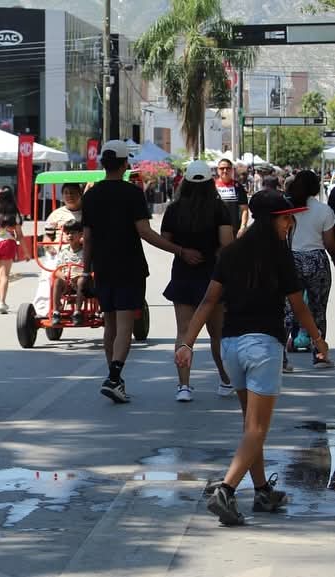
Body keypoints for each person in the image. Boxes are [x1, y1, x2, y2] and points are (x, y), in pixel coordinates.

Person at [176, 191, 329, 526]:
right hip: (262, 347)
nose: (290, 223)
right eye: (286, 217)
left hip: (231, 347)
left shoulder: (230, 253)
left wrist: (186, 343)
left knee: (250, 428)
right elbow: (299, 306)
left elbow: (207, 302)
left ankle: (262, 491)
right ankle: (226, 490)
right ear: (272, 218)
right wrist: (319, 340)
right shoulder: (279, 255)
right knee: (258, 428)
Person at [82, 141, 203, 404]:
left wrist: (84, 271)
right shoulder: (132, 193)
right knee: (125, 325)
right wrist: (180, 250)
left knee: (110, 324)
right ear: (126, 164)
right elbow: (145, 233)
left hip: (102, 267)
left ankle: (115, 377)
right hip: (129, 265)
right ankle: (114, 378)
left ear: (103, 163)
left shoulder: (90, 195)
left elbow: (87, 238)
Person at [161, 160, 234, 402]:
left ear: (186, 183)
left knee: (183, 331)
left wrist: (182, 251)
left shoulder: (174, 209)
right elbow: (227, 242)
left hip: (183, 273)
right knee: (217, 333)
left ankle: (184, 386)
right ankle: (225, 380)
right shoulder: (219, 208)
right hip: (213, 276)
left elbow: (164, 239)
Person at [284, 170, 335, 369]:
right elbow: (330, 243)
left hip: (292, 260)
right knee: (318, 308)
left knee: (287, 310)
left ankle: (280, 357)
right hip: (317, 261)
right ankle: (320, 354)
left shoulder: (288, 208)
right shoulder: (324, 211)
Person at [0, 187, 29, 313]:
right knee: (5, 274)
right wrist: (26, 252)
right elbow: (20, 235)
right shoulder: (14, 214)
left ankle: (1, 300)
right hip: (7, 243)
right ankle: (2, 302)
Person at [51, 220, 86, 326]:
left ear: (81, 234)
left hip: (81, 282)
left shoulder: (85, 251)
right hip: (66, 281)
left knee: (81, 280)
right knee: (57, 281)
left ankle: (77, 312)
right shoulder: (63, 252)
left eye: (73, 233)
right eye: (68, 233)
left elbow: (90, 269)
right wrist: (64, 277)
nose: (70, 235)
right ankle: (56, 311)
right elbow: (57, 270)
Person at [43, 183, 83, 251]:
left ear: (80, 194)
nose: (69, 195)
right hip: (59, 254)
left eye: (72, 192)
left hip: (82, 254)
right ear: (62, 196)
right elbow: (48, 235)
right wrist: (49, 248)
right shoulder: (56, 214)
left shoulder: (88, 213)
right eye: (66, 193)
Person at [215, 159, 249, 237]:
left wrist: (243, 227)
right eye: (222, 168)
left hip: (235, 230)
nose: (225, 170)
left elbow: (244, 209)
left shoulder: (238, 187)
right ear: (217, 170)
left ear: (232, 170)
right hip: (216, 231)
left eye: (228, 168)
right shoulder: (212, 186)